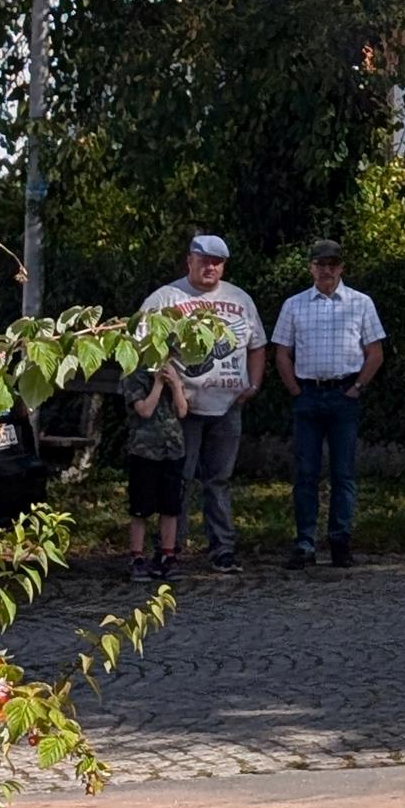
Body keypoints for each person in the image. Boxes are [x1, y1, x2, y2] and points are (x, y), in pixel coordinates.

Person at [136, 233, 266, 572]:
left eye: (218, 262)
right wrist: (167, 386)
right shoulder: (166, 298)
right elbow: (142, 346)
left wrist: (253, 384)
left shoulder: (240, 298)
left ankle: (222, 549)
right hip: (184, 408)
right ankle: (170, 549)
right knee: (181, 478)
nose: (211, 267)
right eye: (205, 260)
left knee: (219, 480)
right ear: (189, 260)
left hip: (228, 406)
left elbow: (257, 344)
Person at [272, 239, 386, 570]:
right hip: (308, 394)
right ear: (311, 267)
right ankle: (305, 543)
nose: (326, 270)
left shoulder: (361, 303)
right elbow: (281, 351)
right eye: (320, 264)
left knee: (343, 474)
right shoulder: (294, 305)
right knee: (305, 473)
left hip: (343, 395)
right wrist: (294, 388)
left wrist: (358, 387)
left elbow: (375, 351)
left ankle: (340, 541)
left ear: (341, 267)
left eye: (332, 264)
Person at [116, 345, 188, 581]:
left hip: (172, 449)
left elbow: (182, 410)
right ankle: (137, 556)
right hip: (144, 450)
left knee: (170, 506)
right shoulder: (133, 374)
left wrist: (176, 385)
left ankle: (168, 554)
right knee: (141, 506)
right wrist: (157, 384)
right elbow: (144, 410)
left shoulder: (175, 372)